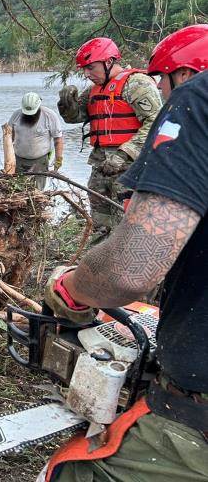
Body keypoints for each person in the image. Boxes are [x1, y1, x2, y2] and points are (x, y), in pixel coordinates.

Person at [40, 24, 208, 482]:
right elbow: (80, 118)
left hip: (140, 169)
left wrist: (75, 289)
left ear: (187, 72)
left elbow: (133, 265)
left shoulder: (190, 96)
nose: (159, 85)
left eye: (165, 78)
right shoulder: (97, 89)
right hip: (114, 170)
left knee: (69, 474)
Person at [58, 38, 163, 236]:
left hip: (131, 166)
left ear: (108, 62)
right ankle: (101, 257)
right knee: (101, 223)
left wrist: (124, 154)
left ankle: (130, 261)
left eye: (90, 67)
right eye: (83, 69)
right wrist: (66, 104)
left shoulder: (136, 83)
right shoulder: (93, 90)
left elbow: (155, 123)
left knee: (128, 223)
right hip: (101, 166)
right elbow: (77, 117)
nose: (86, 74)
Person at [8, 92, 64, 190]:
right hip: (18, 160)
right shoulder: (16, 115)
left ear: (38, 106)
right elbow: (8, 138)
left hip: (40, 161)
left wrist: (58, 160)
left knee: (36, 191)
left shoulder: (49, 116)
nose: (30, 115)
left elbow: (58, 140)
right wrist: (9, 160)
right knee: (17, 189)